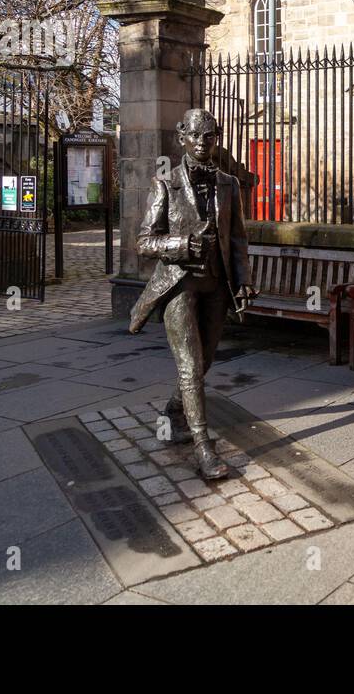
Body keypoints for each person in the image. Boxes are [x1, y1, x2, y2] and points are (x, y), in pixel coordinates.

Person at [128, 109, 256, 479]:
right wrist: (181, 243)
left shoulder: (229, 184)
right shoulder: (165, 182)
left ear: (216, 138)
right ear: (182, 137)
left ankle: (173, 412)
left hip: (217, 286)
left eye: (209, 137)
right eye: (196, 137)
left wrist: (243, 279)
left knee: (203, 363)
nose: (202, 144)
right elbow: (144, 241)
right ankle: (204, 447)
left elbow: (238, 239)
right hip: (178, 285)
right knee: (189, 366)